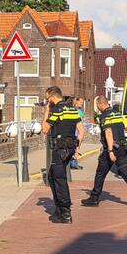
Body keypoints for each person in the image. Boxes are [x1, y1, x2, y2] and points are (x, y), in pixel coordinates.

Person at [81, 96, 127, 209]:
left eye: (97, 106)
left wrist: (110, 150)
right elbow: (121, 129)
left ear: (100, 104)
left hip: (112, 148)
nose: (97, 108)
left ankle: (94, 198)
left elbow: (108, 132)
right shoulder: (117, 114)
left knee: (100, 174)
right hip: (123, 147)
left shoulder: (104, 115)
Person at [42, 86, 85, 224]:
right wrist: (77, 148)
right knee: (51, 176)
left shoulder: (56, 110)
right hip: (70, 148)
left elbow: (44, 129)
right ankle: (59, 209)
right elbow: (81, 131)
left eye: (48, 99)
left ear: (53, 97)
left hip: (60, 149)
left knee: (59, 179)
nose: (48, 101)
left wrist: (47, 111)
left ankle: (65, 213)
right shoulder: (73, 110)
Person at [69, 97, 85, 170]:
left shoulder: (79, 111)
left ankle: (73, 163)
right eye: (81, 102)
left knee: (75, 147)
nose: (82, 104)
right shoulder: (76, 111)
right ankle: (73, 164)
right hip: (75, 132)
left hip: (77, 131)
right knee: (75, 148)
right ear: (76, 102)